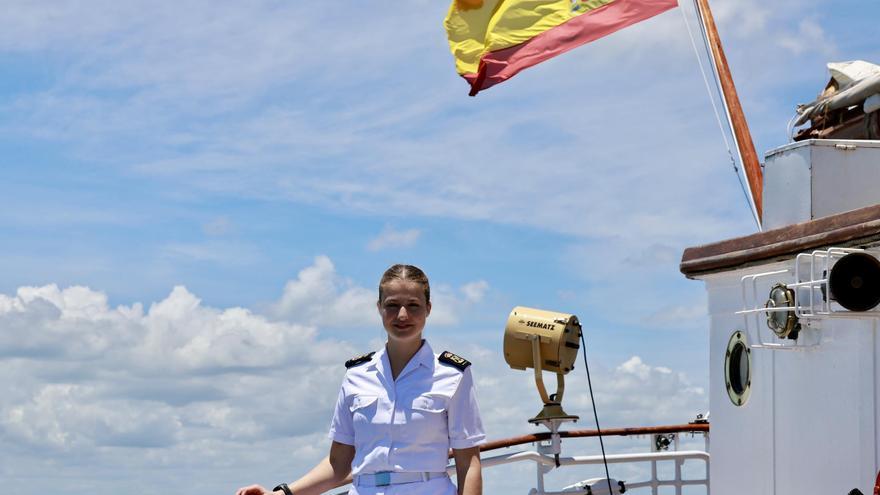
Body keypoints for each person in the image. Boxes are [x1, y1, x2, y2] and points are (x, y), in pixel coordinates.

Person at [235, 264, 486, 495]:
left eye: (413, 305)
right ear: (379, 308)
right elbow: (339, 463)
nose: (401, 315)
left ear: (428, 309)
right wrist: (281, 494)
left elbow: (468, 462)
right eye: (392, 305)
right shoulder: (356, 374)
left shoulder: (452, 374)